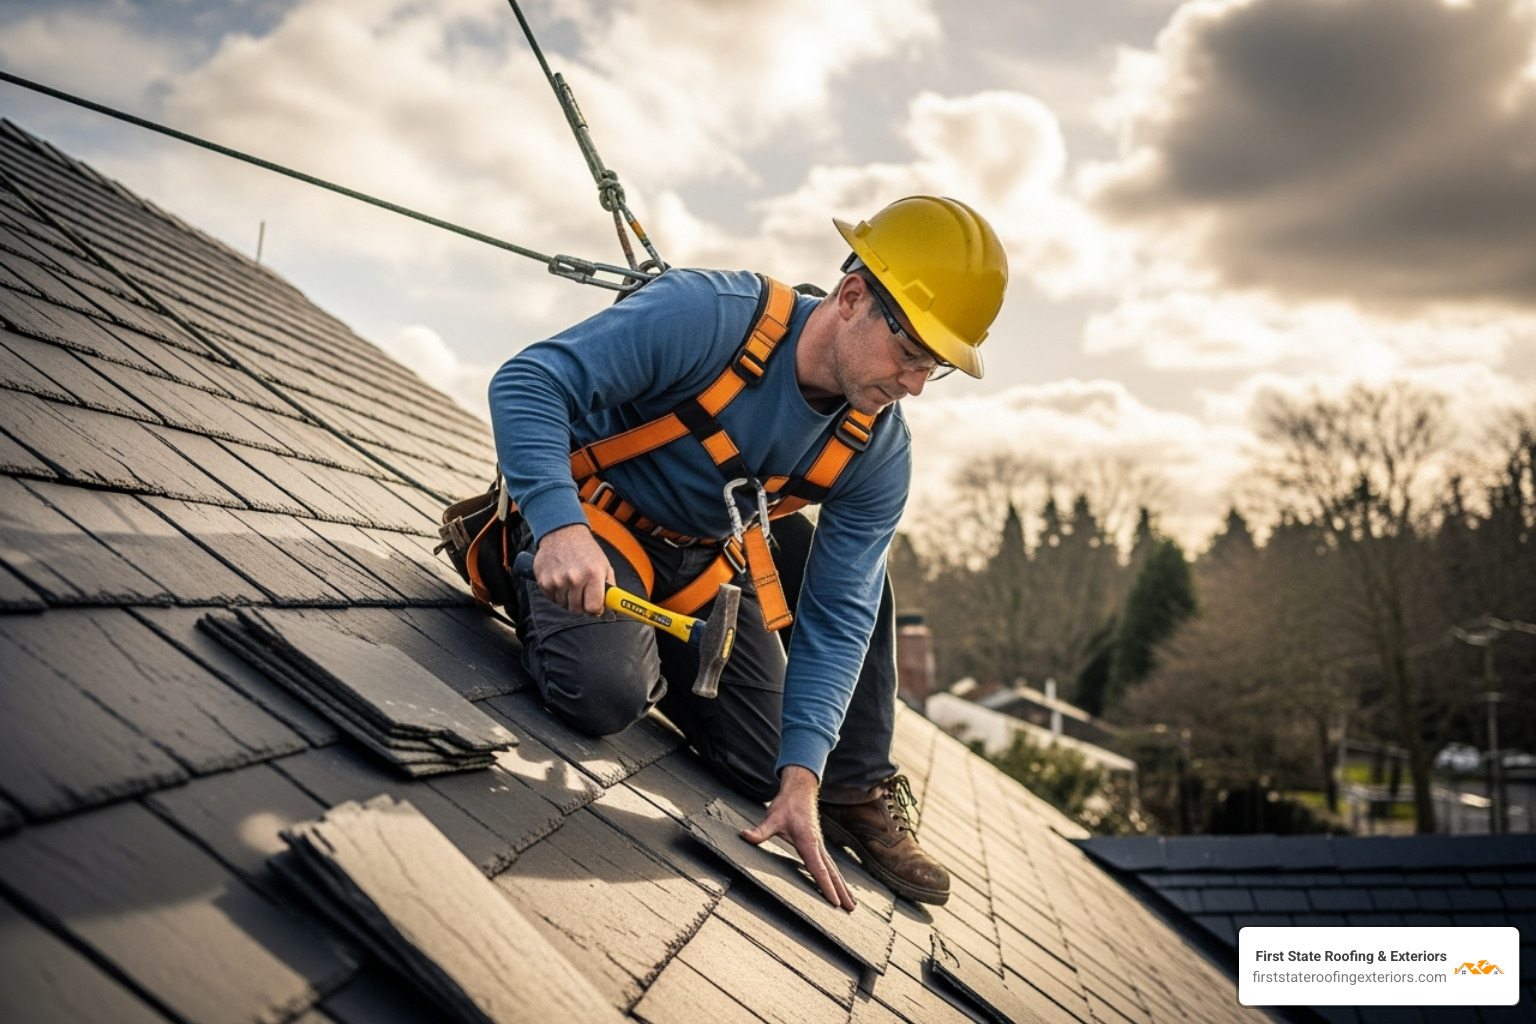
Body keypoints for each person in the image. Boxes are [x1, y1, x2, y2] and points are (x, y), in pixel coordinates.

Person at [488, 196, 1007, 909]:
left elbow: (841, 614)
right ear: (853, 297)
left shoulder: (879, 450)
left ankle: (675, 669)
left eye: (935, 368)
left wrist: (804, 776)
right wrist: (557, 525)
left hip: (703, 570)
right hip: (598, 521)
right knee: (606, 693)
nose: (914, 384)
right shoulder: (708, 314)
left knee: (779, 767)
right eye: (911, 353)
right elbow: (529, 382)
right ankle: (540, 577)